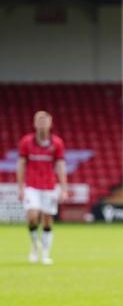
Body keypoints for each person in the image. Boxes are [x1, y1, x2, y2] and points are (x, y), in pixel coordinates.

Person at [17, 110, 68, 265]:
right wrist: (20, 187)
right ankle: (34, 246)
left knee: (47, 219)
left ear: (50, 123)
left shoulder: (57, 143)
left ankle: (45, 253)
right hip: (32, 186)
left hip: (49, 186)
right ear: (34, 123)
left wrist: (64, 188)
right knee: (32, 215)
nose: (42, 124)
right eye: (39, 121)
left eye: (44, 121)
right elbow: (21, 164)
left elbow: (60, 165)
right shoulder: (26, 142)